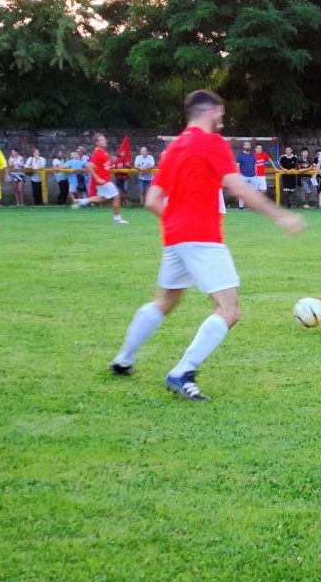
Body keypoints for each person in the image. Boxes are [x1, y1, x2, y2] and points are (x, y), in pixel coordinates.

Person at [108, 89, 304, 401]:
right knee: (229, 310)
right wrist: (280, 216)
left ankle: (123, 359)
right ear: (211, 112)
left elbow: (151, 200)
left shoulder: (173, 149)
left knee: (164, 302)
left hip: (175, 238)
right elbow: (238, 186)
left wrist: (176, 224)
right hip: (202, 237)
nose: (223, 121)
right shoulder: (213, 143)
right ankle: (182, 372)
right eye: (222, 114)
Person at [71, 135, 128, 224]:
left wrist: (116, 159)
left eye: (104, 139)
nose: (105, 141)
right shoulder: (98, 152)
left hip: (104, 180)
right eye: (102, 140)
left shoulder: (103, 152)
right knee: (116, 196)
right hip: (104, 180)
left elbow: (106, 164)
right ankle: (118, 219)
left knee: (102, 198)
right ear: (97, 143)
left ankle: (81, 201)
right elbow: (88, 165)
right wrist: (97, 178)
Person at [234, 140, 258, 210]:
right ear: (243, 146)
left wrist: (256, 174)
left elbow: (255, 165)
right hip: (243, 177)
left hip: (253, 176)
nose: (247, 146)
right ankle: (241, 207)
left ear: (250, 146)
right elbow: (237, 166)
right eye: (246, 145)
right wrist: (238, 175)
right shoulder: (240, 156)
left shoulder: (252, 155)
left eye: (249, 145)